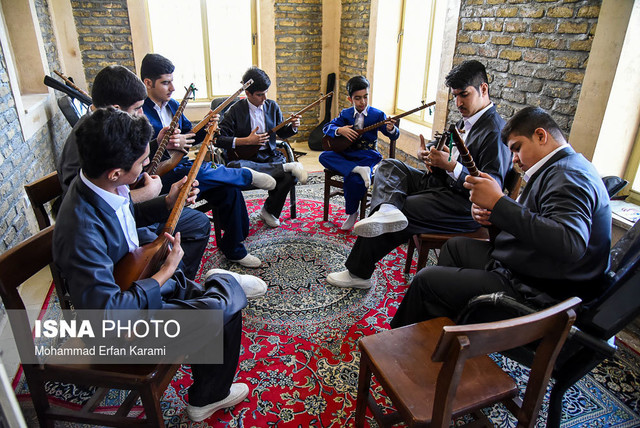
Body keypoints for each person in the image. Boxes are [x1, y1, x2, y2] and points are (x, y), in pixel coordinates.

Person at [53, 108, 267, 421]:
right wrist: (164, 273)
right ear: (115, 171)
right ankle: (220, 286)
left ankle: (210, 392)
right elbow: (107, 315)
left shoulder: (98, 184)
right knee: (221, 309)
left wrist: (166, 201)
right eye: (141, 164)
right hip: (115, 330)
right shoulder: (81, 231)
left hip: (130, 283)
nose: (147, 172)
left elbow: (125, 219)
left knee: (221, 307)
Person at [391, 106, 612, 327]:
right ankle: (449, 325)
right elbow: (537, 220)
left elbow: (570, 243)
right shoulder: (558, 167)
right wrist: (492, 214)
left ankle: (402, 346)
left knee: (426, 280)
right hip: (530, 267)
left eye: (517, 149)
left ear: (541, 135)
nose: (514, 159)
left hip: (539, 291)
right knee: (455, 247)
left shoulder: (568, 175)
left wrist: (498, 203)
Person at [326, 60, 511, 289]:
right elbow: (450, 149)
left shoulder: (495, 132)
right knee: (390, 166)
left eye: (464, 94)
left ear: (483, 89)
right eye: (455, 96)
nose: (458, 102)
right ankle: (387, 210)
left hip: (460, 205)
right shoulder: (468, 120)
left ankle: (358, 273)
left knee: (402, 206)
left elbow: (492, 187)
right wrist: (427, 153)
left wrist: (451, 166)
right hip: (439, 184)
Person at [57, 65, 209, 279]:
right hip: (116, 238)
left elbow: (123, 178)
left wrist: (157, 146)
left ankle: (179, 282)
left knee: (197, 223)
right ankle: (172, 280)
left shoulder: (109, 132)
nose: (141, 114)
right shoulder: (85, 145)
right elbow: (95, 204)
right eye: (138, 108)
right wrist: (148, 193)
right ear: (117, 109)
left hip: (124, 219)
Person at [141, 53, 272, 268]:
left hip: (180, 168)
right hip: (158, 179)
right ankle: (247, 174)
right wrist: (162, 143)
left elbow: (192, 136)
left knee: (227, 188)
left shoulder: (173, 105)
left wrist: (208, 125)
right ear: (148, 83)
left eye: (172, 81)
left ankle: (234, 248)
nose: (172, 87)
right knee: (198, 171)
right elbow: (140, 155)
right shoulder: (139, 112)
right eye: (166, 82)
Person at [217, 66, 308, 228]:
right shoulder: (235, 111)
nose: (265, 97)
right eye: (260, 94)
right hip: (245, 159)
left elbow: (283, 133)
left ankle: (269, 211)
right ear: (248, 94)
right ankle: (284, 167)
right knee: (234, 167)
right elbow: (219, 139)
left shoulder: (272, 107)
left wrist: (293, 126)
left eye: (266, 92)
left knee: (290, 177)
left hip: (269, 157)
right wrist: (246, 141)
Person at [320, 75, 399, 230]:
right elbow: (327, 127)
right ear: (350, 99)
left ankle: (352, 213)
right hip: (348, 154)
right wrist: (339, 130)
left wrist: (391, 129)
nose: (362, 102)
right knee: (324, 156)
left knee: (355, 180)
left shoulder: (377, 115)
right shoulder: (346, 114)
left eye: (365, 97)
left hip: (367, 155)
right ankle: (358, 170)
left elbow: (393, 135)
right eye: (357, 98)